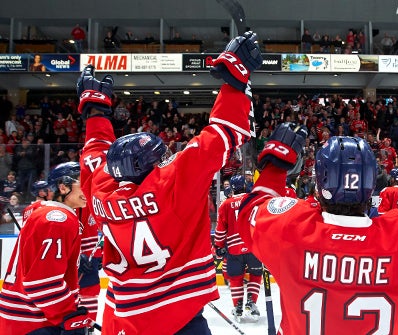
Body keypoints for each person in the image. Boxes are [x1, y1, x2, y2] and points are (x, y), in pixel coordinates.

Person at [77, 31, 262, 335]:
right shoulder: (170, 184)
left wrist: (96, 111)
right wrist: (234, 75)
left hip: (123, 315)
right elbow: (220, 136)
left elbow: (96, 156)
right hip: (179, 316)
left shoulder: (101, 191)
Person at [236, 126, 398, 335]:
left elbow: (249, 213)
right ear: (370, 184)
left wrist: (277, 163)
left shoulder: (290, 228)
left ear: (320, 182)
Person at [0, 162, 93, 335]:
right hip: (35, 322)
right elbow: (42, 283)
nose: (89, 188)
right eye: (83, 182)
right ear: (63, 187)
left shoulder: (45, 213)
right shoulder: (58, 219)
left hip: (26, 318)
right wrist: (68, 316)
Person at [213, 174, 262, 322]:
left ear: (232, 188)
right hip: (253, 245)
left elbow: (220, 229)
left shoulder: (225, 204)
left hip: (234, 249)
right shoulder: (254, 199)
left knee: (235, 278)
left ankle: (238, 305)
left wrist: (218, 246)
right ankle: (251, 302)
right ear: (246, 185)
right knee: (255, 275)